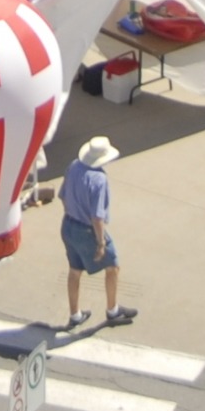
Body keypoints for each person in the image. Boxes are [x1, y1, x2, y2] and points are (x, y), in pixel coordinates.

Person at [60, 135, 134, 330]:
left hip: (68, 225)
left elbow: (63, 196)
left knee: (75, 270)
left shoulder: (74, 166)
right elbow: (97, 217)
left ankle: (75, 315)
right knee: (112, 267)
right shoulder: (99, 179)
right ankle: (112, 311)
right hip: (87, 230)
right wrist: (100, 242)